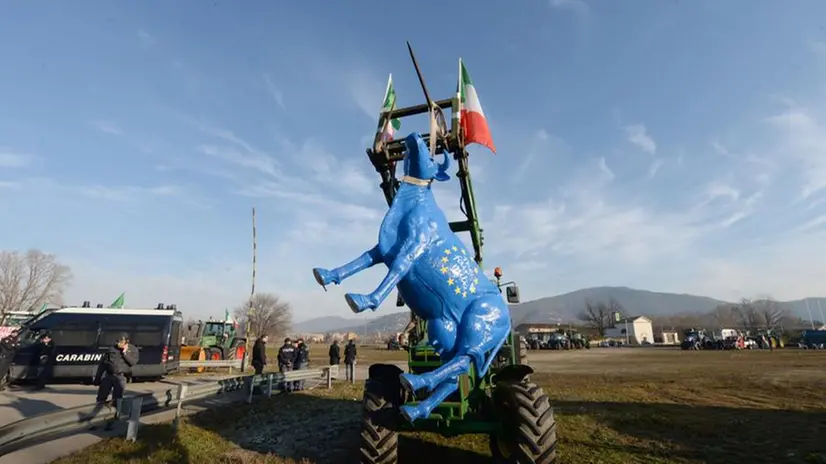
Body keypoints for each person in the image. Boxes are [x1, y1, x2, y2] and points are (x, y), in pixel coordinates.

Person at [94, 333, 139, 405]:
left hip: (121, 377)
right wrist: (98, 377)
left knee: (117, 398)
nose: (118, 343)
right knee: (101, 396)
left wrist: (125, 353)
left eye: (121, 342)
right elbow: (103, 364)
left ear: (126, 341)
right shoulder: (112, 349)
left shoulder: (132, 350)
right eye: (117, 341)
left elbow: (133, 362)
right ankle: (99, 407)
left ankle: (116, 409)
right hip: (109, 375)